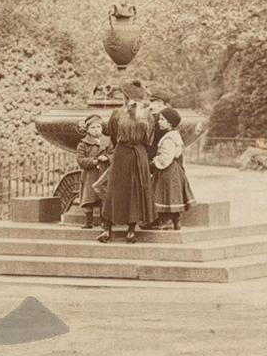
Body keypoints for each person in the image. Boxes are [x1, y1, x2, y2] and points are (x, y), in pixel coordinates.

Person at [98, 82, 155, 244]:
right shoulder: (147, 115)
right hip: (139, 154)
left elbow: (113, 136)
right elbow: (149, 139)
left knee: (114, 190)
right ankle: (131, 231)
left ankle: (107, 230)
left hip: (122, 153)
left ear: (125, 96)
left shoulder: (117, 113)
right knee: (136, 190)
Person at [149, 107, 196, 230]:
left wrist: (154, 162)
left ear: (169, 123)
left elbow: (165, 159)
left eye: (162, 119)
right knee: (173, 195)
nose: (159, 121)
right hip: (175, 169)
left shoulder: (169, 138)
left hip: (168, 171)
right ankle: (176, 220)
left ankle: (166, 221)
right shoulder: (175, 135)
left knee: (166, 195)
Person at [75, 116, 110, 229]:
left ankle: (104, 221)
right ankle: (88, 221)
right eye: (93, 127)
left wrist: (108, 158)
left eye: (98, 127)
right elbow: (80, 160)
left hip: (103, 173)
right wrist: (94, 161)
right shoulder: (83, 144)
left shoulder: (107, 141)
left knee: (103, 196)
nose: (96, 129)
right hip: (90, 175)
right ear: (88, 130)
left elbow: (114, 153)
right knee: (89, 198)